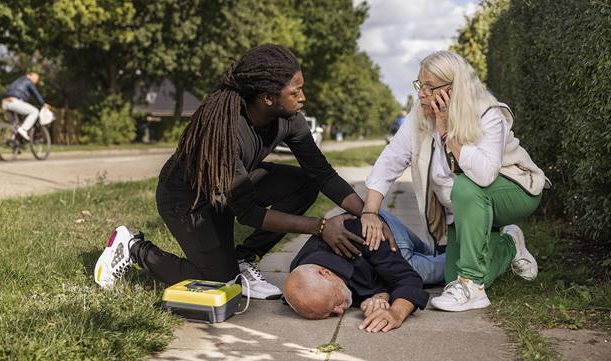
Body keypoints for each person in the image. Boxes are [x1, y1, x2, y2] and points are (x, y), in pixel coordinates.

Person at [94, 44, 396, 299]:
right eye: (296, 92)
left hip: (226, 190)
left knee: (304, 183)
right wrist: (320, 227)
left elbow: (323, 174)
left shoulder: (290, 119)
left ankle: (243, 258)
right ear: (267, 98)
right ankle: (133, 248)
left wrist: (369, 214)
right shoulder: (226, 131)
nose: (303, 98)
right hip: (186, 198)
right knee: (219, 283)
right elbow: (249, 213)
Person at [361, 50, 548, 312]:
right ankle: (509, 244)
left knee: (467, 185)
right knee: (451, 279)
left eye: (429, 87)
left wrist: (448, 130)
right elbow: (390, 160)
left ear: (453, 89)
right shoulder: (420, 115)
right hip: (467, 209)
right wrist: (370, 211)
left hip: (514, 192)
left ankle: (472, 286)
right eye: (419, 85)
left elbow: (484, 175)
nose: (421, 94)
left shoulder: (488, 113)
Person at [283, 216, 429, 332]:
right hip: (382, 263)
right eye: (331, 313)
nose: (340, 311)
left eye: (334, 301)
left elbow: (407, 279)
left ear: (326, 273)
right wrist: (380, 296)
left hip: (385, 236)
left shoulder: (357, 235)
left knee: (438, 267)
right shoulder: (302, 282)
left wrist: (396, 312)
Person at [2, 72, 50, 141]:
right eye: (35, 78)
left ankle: (14, 141)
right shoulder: (28, 81)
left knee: (16, 124)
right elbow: (35, 93)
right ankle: (24, 129)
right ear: (28, 76)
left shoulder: (17, 81)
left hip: (5, 102)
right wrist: (43, 103)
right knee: (34, 111)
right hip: (15, 102)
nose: (35, 81)